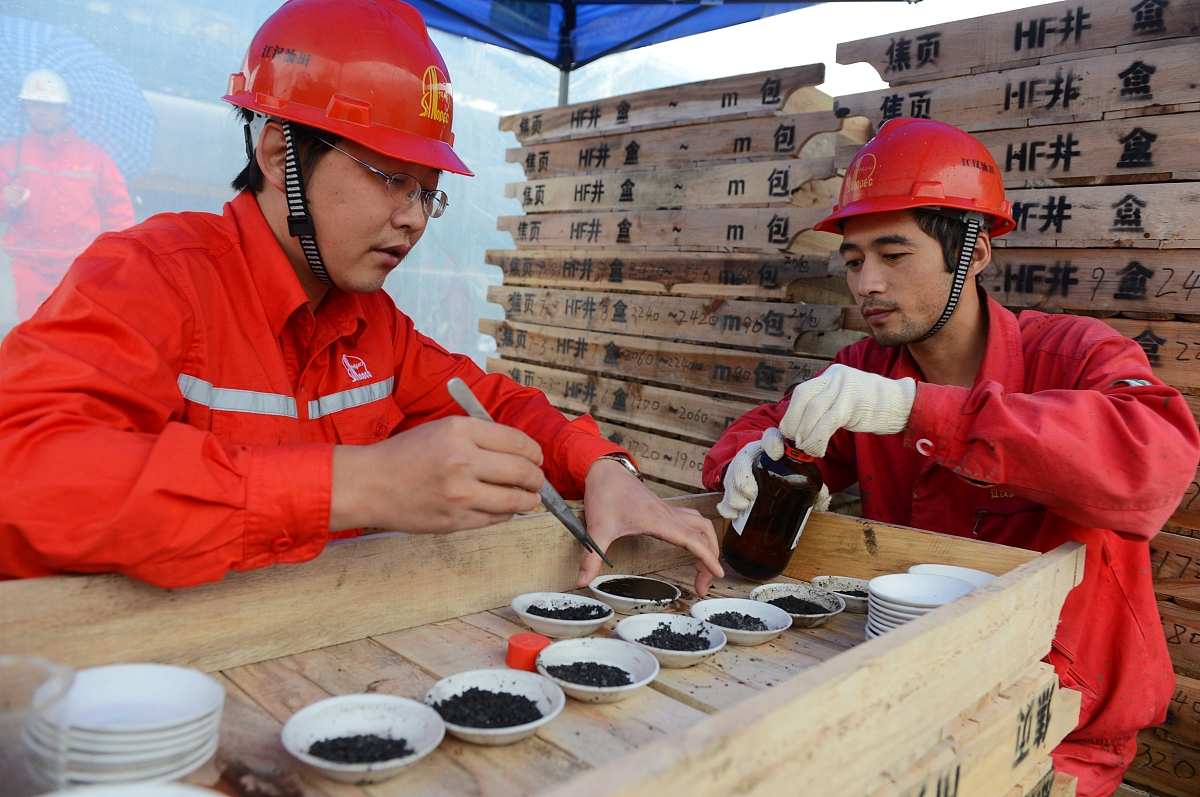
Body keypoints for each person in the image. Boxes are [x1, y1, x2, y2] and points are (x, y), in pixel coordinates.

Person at [0, 0, 721, 595]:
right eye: (387, 174)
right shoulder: (150, 276)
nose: (412, 216)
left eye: (428, 192)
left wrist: (601, 466)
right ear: (282, 152)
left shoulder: (373, 325)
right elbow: (22, 475)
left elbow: (490, 402)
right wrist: (355, 484)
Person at [703, 118, 1199, 796]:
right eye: (853, 260)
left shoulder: (1076, 354)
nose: (867, 284)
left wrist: (918, 410)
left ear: (976, 252)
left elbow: (1152, 467)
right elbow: (777, 427)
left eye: (894, 254)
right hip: (912, 691)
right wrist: (743, 458)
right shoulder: (865, 368)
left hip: (1053, 721)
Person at [0, 69, 135, 321]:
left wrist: (118, 254)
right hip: (29, 261)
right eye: (35, 104)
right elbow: (4, 211)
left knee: (72, 328)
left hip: (79, 261)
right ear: (25, 107)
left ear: (65, 110)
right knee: (33, 327)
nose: (42, 111)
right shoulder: (9, 154)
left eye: (50, 105)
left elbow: (118, 210)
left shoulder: (95, 158)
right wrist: (6, 201)